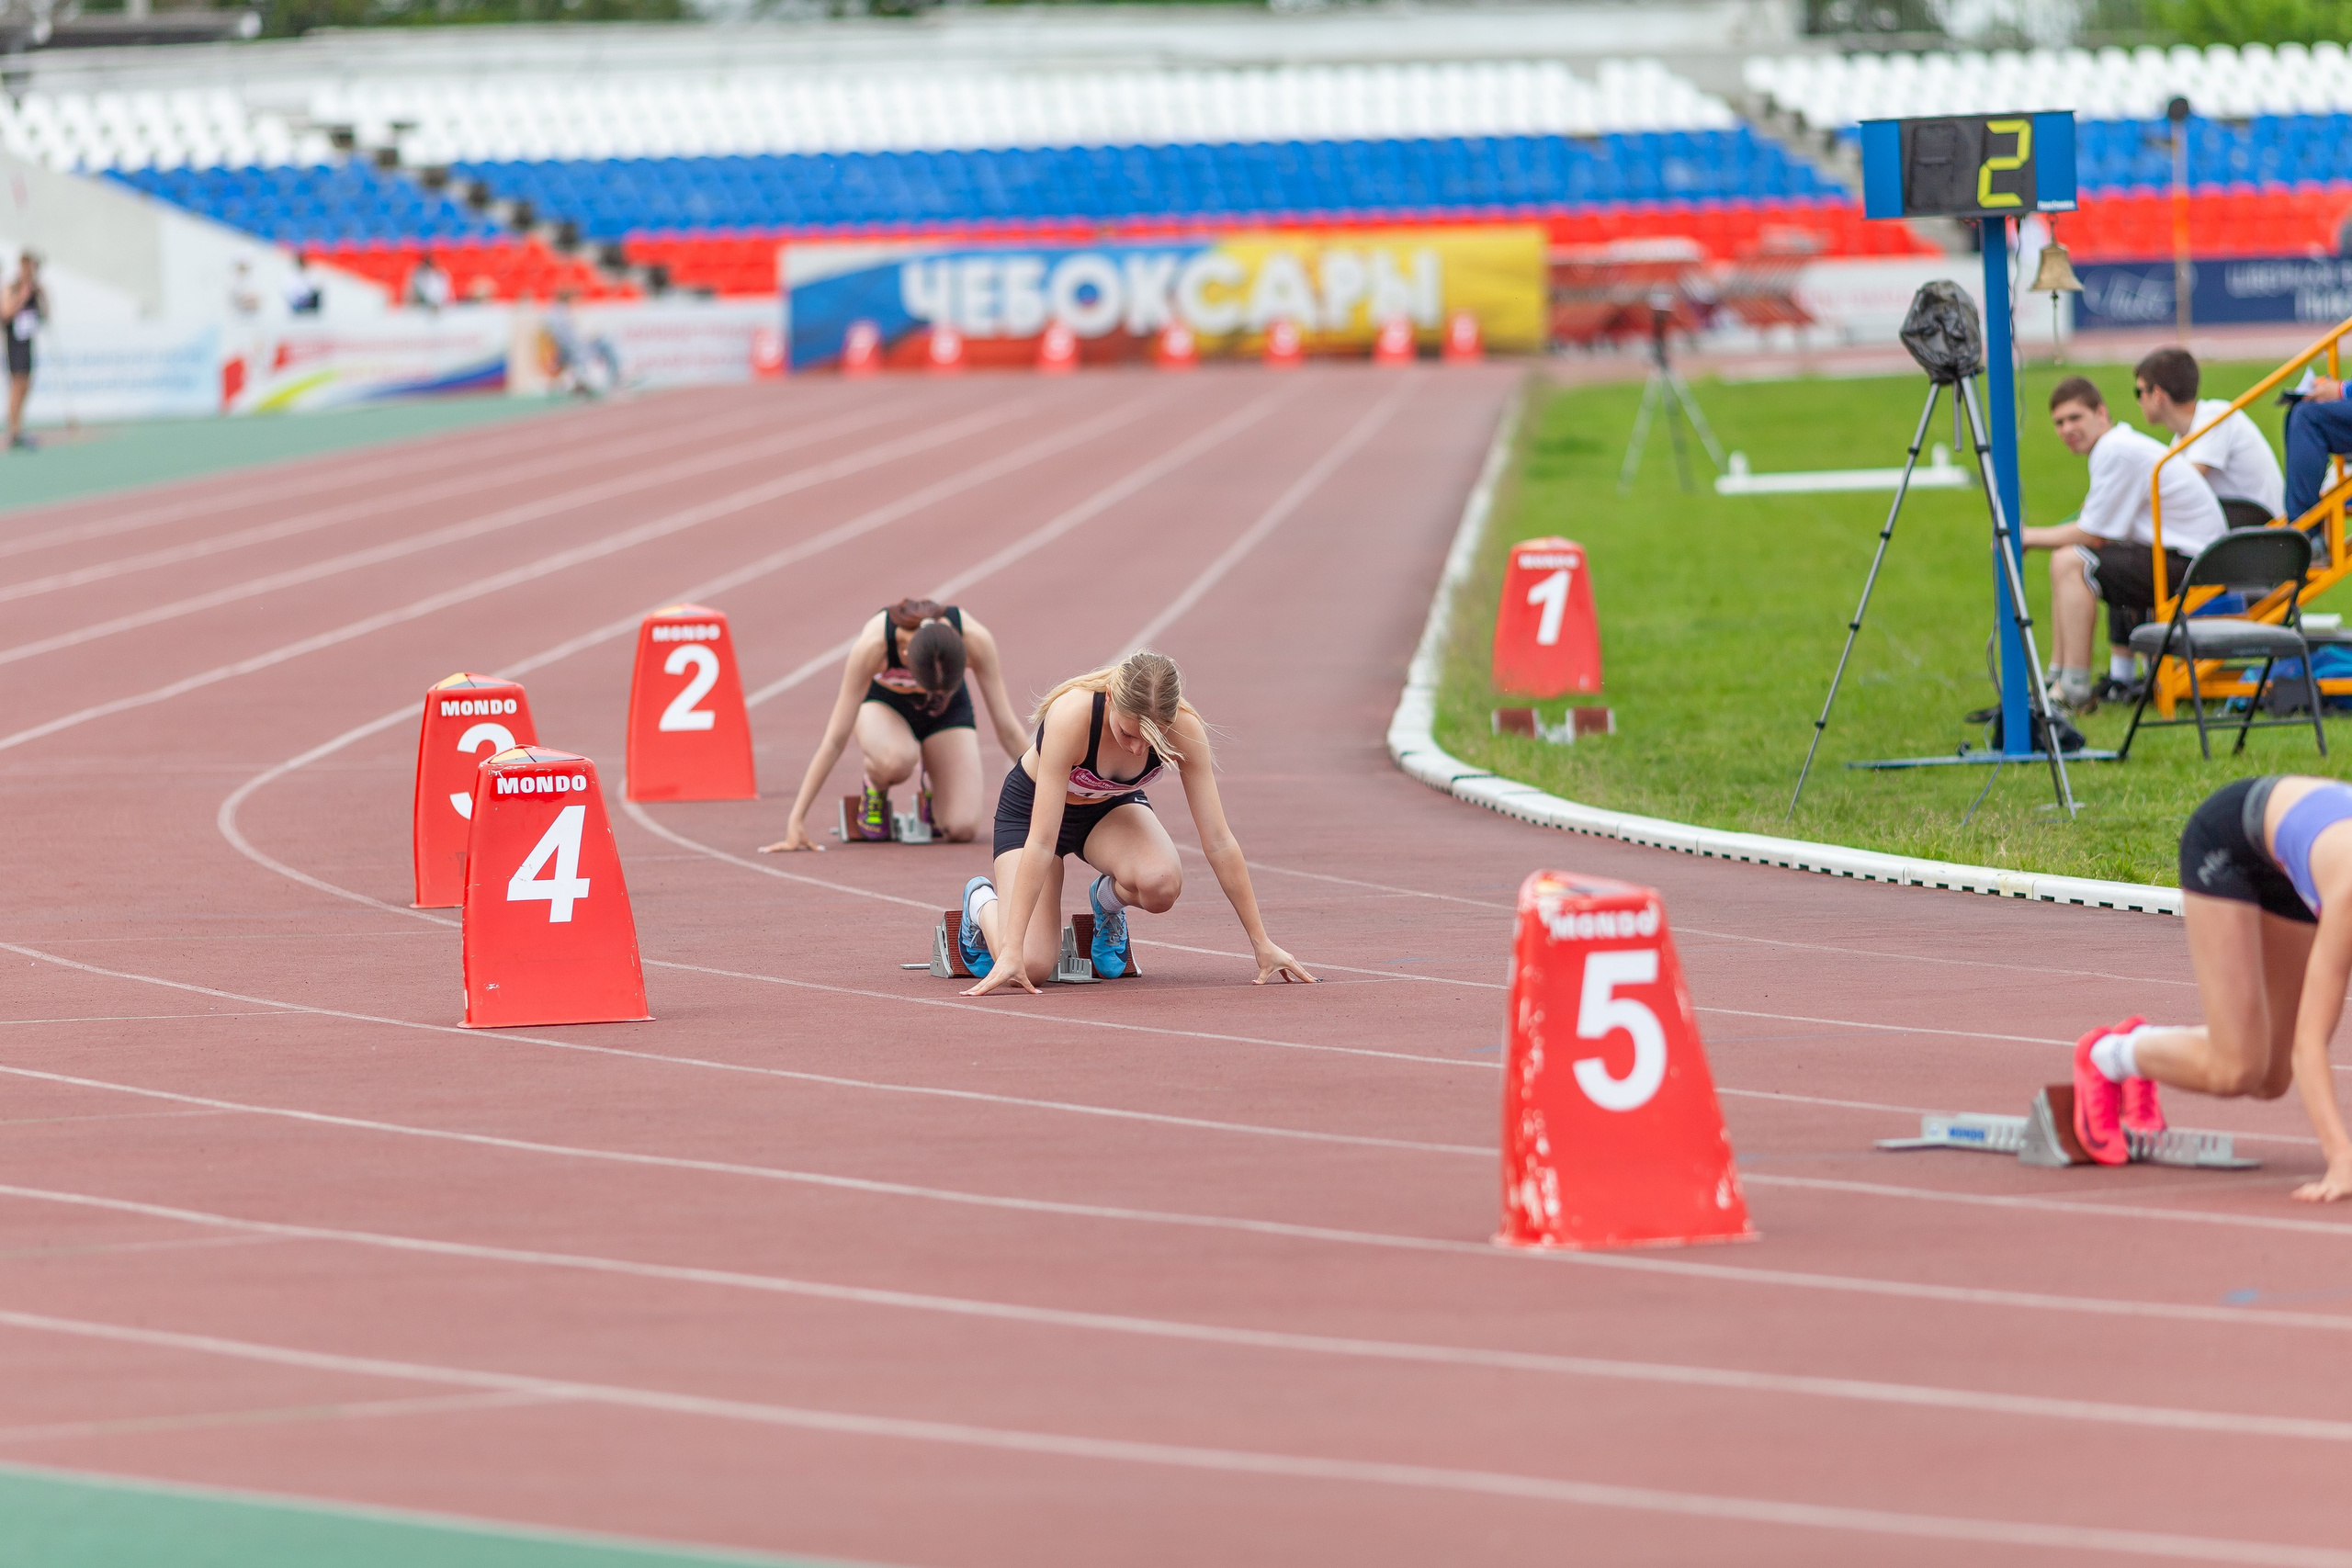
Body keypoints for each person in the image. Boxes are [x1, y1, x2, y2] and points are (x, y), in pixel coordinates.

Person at [951, 649, 1314, 994]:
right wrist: (1012, 949)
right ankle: (981, 904)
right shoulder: (1071, 716)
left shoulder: (1185, 729)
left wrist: (1261, 943)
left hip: (1109, 811)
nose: (1138, 749)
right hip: (1033, 814)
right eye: (1128, 733)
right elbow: (1044, 841)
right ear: (1110, 697)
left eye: (1150, 738)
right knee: (1029, 967)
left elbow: (1219, 841)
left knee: (1162, 886)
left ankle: (1106, 902)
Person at [2073, 774, 2352, 1201]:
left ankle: (2147, 1048)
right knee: (2236, 1068)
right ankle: (2107, 1055)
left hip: (2292, 856)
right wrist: (2341, 1157)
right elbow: (2310, 1043)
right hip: (2228, 843)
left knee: (2271, 1079)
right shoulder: (2348, 899)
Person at [2021, 377, 2226, 711]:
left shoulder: (2115, 450)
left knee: (2071, 561)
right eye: (2059, 422)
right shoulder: (2117, 445)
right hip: (2188, 555)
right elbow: (2098, 529)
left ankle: (2072, 686)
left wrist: (2025, 537)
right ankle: (2057, 678)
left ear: (2101, 413)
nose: (2067, 429)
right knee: (2067, 558)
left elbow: (2093, 534)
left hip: (2195, 564)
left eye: (2076, 418)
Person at [762, 599, 1027, 852]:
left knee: (962, 828)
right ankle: (875, 787)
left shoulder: (975, 637)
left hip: (946, 711)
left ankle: (934, 795)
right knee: (898, 759)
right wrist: (796, 820)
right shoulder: (874, 645)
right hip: (884, 707)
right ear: (904, 655)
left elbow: (1008, 730)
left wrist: (1059, 792)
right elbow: (834, 740)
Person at [2132, 346, 2283, 526]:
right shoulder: (2186, 436)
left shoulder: (2215, 417)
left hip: (2265, 532)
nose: (2138, 401)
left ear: (2157, 395)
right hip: (2247, 529)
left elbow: (2182, 485)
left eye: (2139, 392)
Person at [4, 250, 46, 452]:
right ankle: (14, 430)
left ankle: (18, 426)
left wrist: (40, 295)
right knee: (17, 385)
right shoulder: (13, 287)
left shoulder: (36, 289)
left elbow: (44, 315)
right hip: (14, 343)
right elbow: (6, 312)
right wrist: (23, 296)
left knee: (26, 385)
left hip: (27, 342)